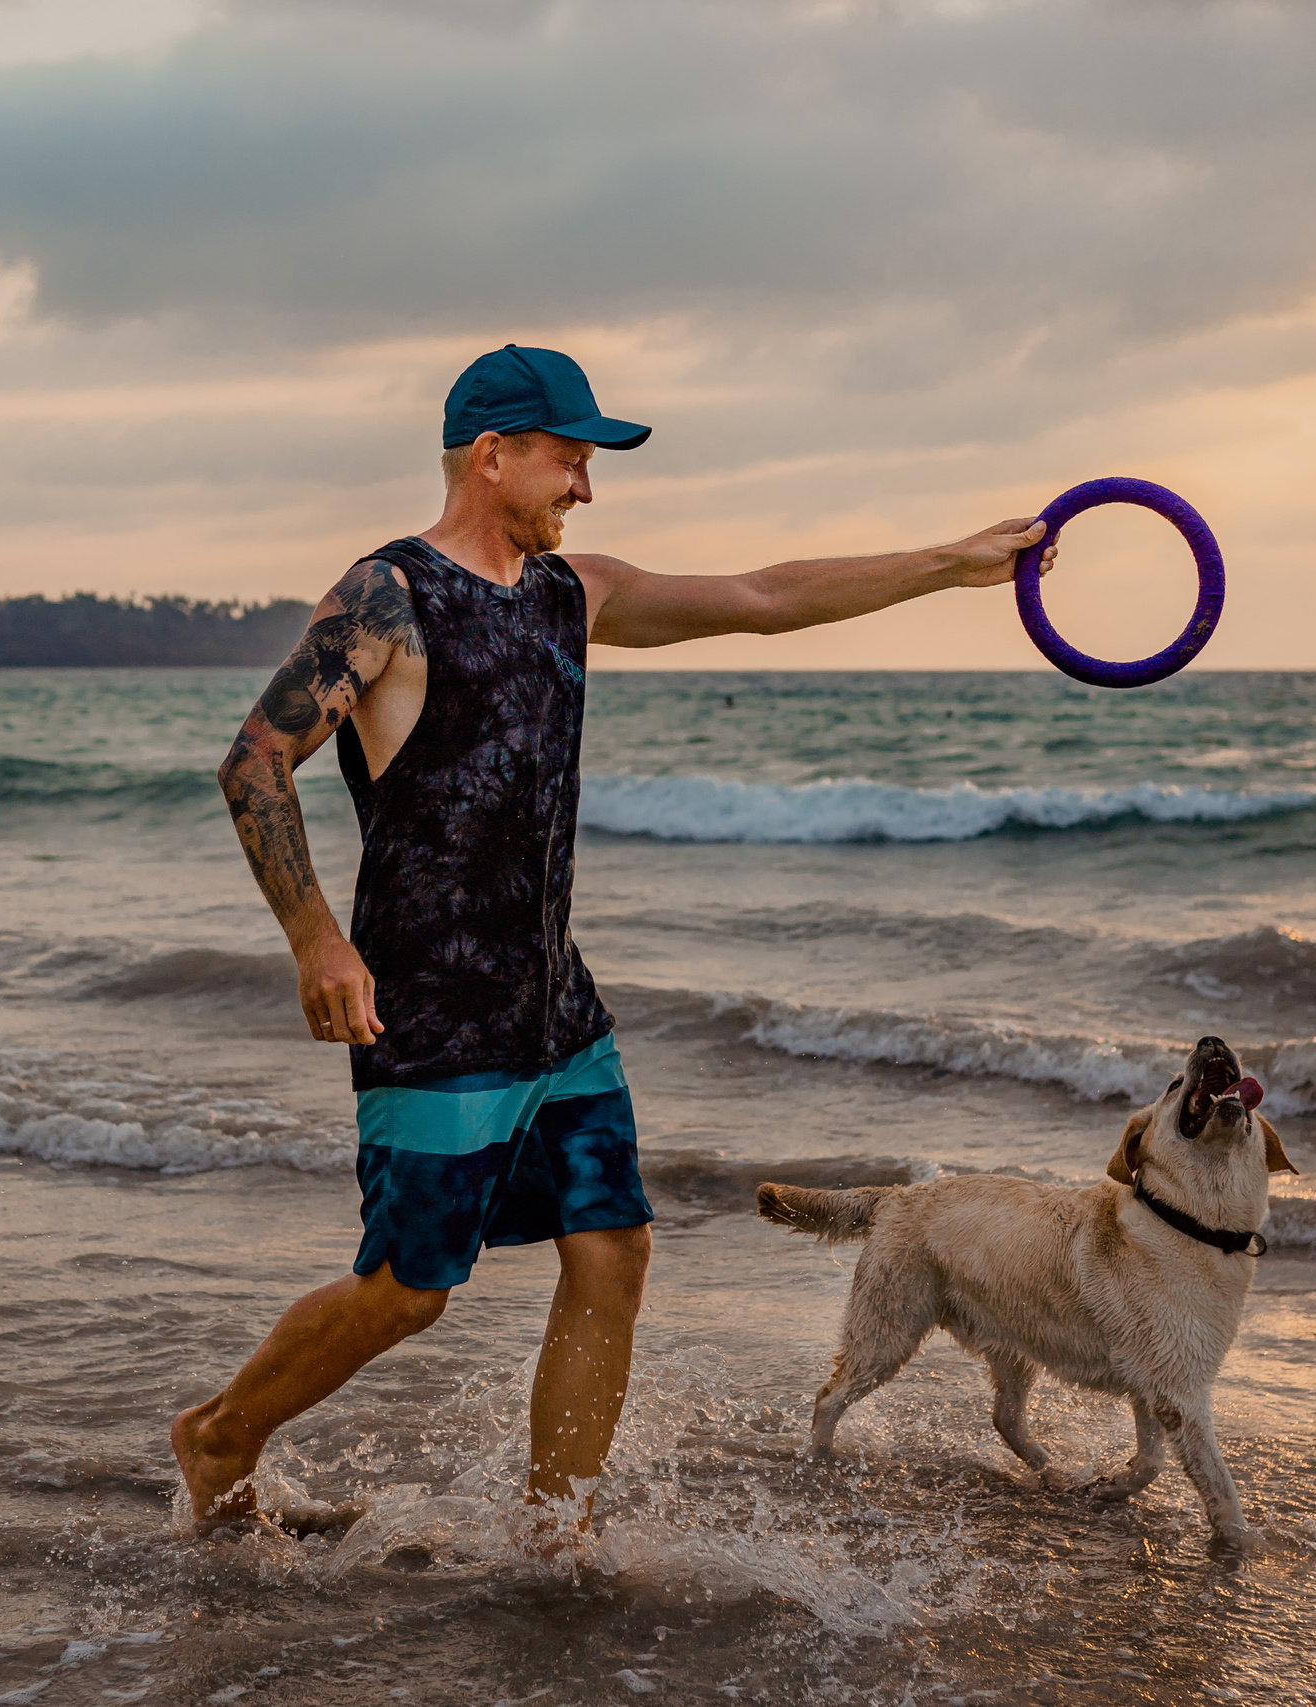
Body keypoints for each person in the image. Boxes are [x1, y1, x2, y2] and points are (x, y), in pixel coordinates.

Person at [169, 344, 1055, 1534]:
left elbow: (764, 598)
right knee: (408, 1290)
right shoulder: (390, 596)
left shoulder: (572, 594)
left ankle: (558, 1535)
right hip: (431, 1006)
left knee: (613, 1248)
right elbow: (255, 761)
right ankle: (220, 1432)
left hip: (556, 1005)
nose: (585, 488)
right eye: (569, 461)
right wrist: (317, 942)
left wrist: (952, 564)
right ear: (493, 456)